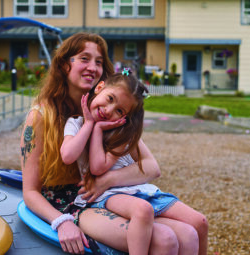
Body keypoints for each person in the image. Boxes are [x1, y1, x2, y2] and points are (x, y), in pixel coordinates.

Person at [20, 32, 208, 254]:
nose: (92, 67)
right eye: (84, 58)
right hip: (73, 205)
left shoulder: (109, 115)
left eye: (98, 62)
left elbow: (150, 167)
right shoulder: (42, 116)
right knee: (165, 239)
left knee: (190, 231)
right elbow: (30, 190)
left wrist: (105, 181)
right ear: (64, 64)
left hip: (107, 195)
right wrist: (61, 221)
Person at [61, 70, 208, 255]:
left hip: (136, 190)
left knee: (198, 224)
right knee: (148, 216)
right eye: (110, 98)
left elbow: (153, 169)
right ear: (100, 87)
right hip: (105, 197)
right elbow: (69, 156)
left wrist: (98, 128)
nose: (108, 110)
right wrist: (91, 125)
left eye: (119, 111)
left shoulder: (120, 133)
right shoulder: (76, 123)